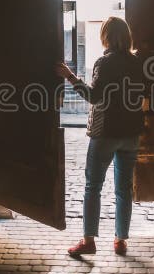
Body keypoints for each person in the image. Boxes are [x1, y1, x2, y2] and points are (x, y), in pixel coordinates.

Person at [55, 16, 145, 256]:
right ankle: (120, 240)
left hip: (106, 132)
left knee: (93, 186)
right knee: (124, 189)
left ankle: (88, 241)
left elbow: (93, 97)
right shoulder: (138, 63)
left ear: (106, 36)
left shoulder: (104, 63)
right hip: (131, 133)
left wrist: (70, 76)